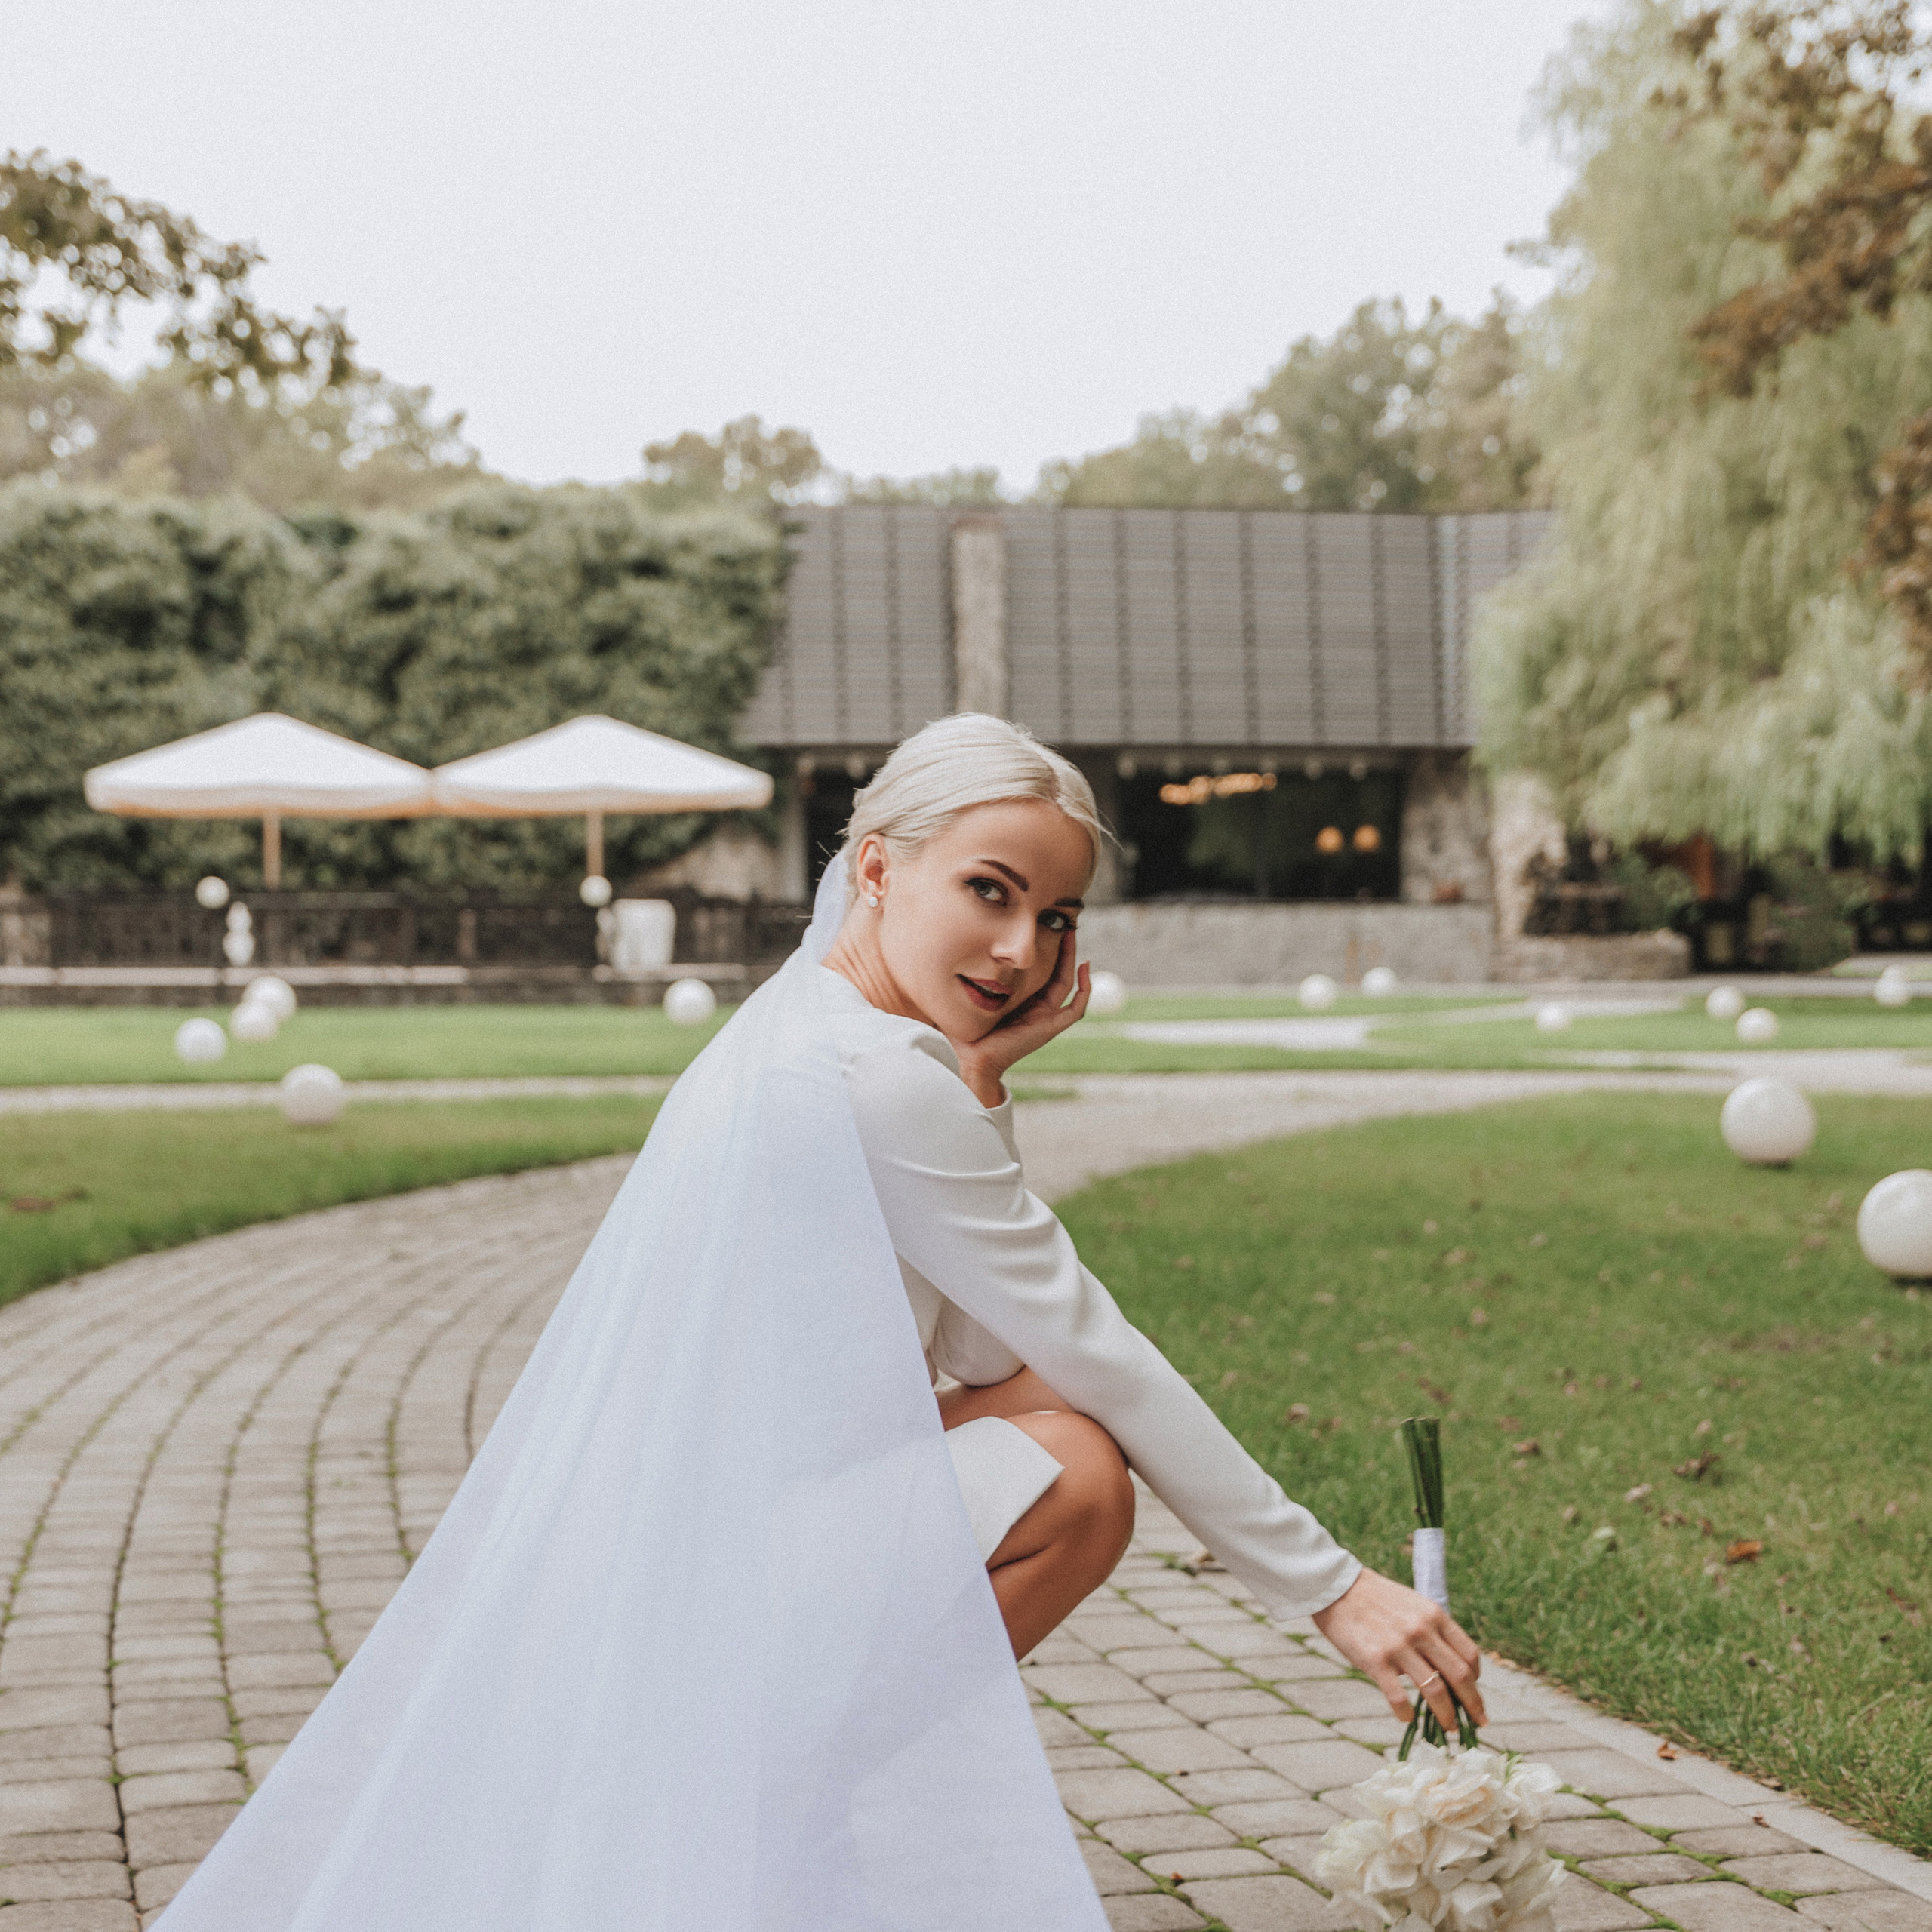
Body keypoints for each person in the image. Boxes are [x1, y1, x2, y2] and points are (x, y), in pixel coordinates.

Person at [158, 714, 1481, 1932]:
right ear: (878, 871)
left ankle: (747, 1786)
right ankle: (743, 1798)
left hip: (697, 1529)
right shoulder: (871, 1073)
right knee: (1081, 1475)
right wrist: (1332, 1592)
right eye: (990, 891)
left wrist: (980, 1090)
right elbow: (1096, 1348)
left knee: (1051, 1420)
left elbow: (982, 1355)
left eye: (1060, 916)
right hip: (724, 1563)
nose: (1025, 952)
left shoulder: (808, 1025)